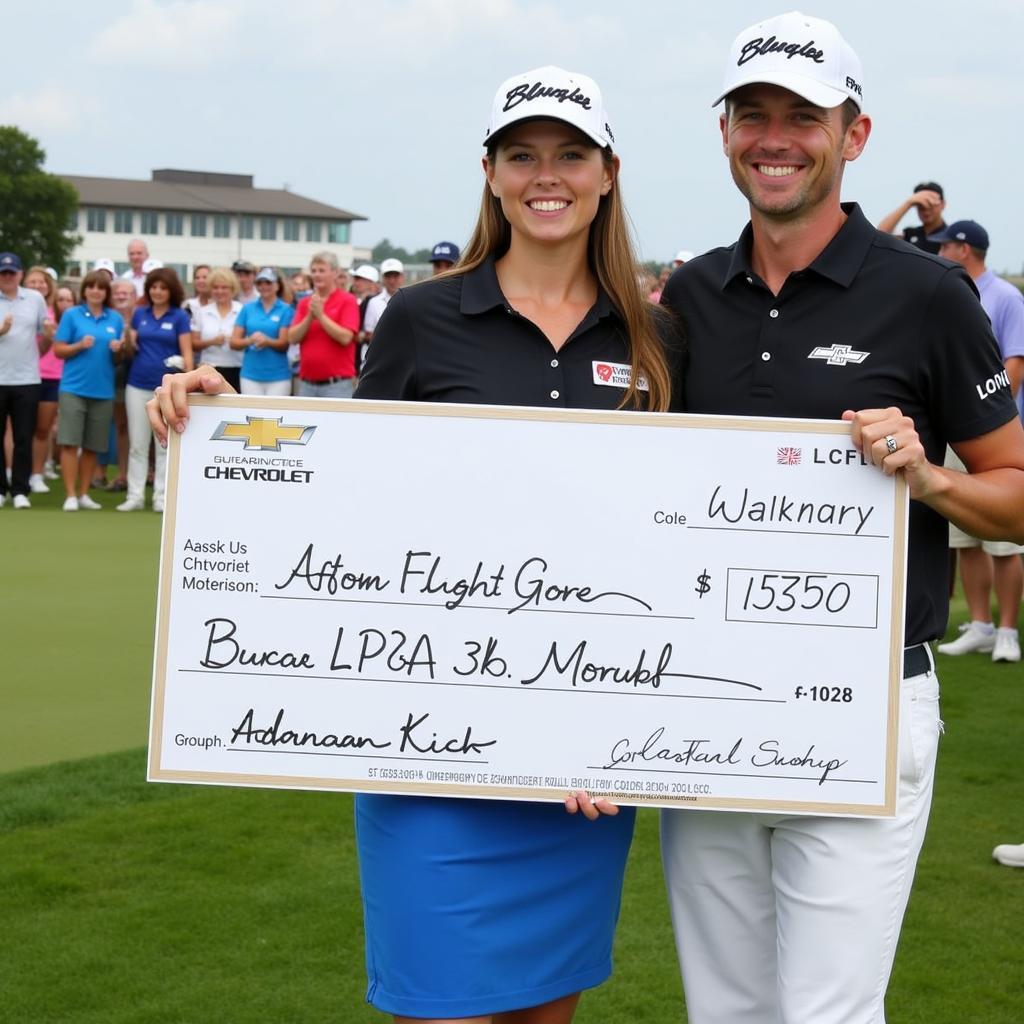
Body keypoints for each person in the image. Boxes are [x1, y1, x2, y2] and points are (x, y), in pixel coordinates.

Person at [147, 64, 679, 1024]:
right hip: (430, 750)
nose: (545, 175)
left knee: (542, 1014)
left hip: (582, 771)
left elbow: (672, 552)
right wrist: (238, 426)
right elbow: (348, 491)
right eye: (523, 155)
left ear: (608, 171)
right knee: (439, 1004)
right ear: (490, 171)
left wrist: (629, 735)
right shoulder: (424, 317)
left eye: (570, 154)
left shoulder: (657, 337)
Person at [658, 12, 1024, 1024]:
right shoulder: (688, 296)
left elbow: (1015, 489)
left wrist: (931, 477)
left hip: (862, 696)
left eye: (801, 117)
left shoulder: (928, 295)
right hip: (705, 697)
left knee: (826, 1013)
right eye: (751, 114)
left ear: (852, 136)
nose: (773, 137)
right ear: (723, 130)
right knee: (724, 1011)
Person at [927, 220, 1024, 664]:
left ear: (964, 249)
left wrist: (984, 417)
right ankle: (981, 624)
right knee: (964, 538)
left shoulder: (1005, 296)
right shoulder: (947, 289)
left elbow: (1014, 364)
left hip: (993, 433)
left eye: (946, 244)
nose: (941, 250)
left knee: (1003, 544)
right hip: (954, 431)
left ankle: (1007, 630)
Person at [119, 267, 192, 512]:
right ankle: (135, 495)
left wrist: (187, 374)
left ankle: (161, 496)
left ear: (171, 290)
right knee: (138, 443)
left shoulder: (179, 316)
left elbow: (187, 353)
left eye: (162, 287)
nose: (157, 292)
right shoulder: (140, 314)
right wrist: (126, 336)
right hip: (137, 383)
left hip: (166, 388)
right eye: (153, 287)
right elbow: (131, 350)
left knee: (164, 444)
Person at [52, 271, 125, 511]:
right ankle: (70, 495)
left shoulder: (115, 319)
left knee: (93, 446)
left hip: (103, 391)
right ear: (84, 290)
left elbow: (118, 360)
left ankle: (84, 493)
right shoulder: (72, 315)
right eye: (91, 287)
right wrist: (78, 345)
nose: (96, 291)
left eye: (101, 288)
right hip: (73, 388)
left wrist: (117, 350)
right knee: (70, 443)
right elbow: (59, 350)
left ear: (106, 293)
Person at [0, 252, 47, 509]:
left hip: (27, 378)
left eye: (12, 272)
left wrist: (51, 334)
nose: (7, 277)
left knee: (23, 436)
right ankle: (0, 489)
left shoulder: (35, 298)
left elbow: (44, 334)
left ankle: (20, 490)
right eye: (3, 273)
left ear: (20, 274)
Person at [288, 252, 359, 398]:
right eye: (313, 271)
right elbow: (292, 338)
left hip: (337, 385)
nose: (316, 275)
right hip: (306, 383)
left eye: (322, 270)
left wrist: (320, 316)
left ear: (335, 273)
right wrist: (309, 316)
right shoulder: (305, 303)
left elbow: (346, 337)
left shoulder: (348, 300)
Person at [22, 266, 58, 494]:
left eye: (42, 282)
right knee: (17, 430)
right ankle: (10, 473)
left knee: (43, 430)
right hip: (23, 376)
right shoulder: (17, 308)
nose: (37, 286)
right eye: (32, 282)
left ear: (48, 285)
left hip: (52, 375)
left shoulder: (57, 310)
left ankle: (37, 474)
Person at [231, 267, 293, 396]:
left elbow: (284, 344)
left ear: (277, 286)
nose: (264, 286)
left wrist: (267, 341)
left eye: (268, 283)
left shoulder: (286, 310)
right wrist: (250, 340)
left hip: (278, 376)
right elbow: (234, 342)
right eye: (260, 283)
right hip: (250, 374)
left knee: (276, 415)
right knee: (251, 414)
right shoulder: (247, 308)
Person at [193, 267, 243, 393]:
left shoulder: (242, 310)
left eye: (224, 287)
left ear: (232, 289)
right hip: (209, 370)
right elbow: (194, 344)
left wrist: (236, 341)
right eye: (216, 287)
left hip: (237, 368)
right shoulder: (202, 312)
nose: (220, 291)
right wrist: (212, 341)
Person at [877, 180, 947, 254]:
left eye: (930, 204)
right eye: (920, 205)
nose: (926, 209)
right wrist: (908, 203)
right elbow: (881, 235)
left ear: (943, 204)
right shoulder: (911, 234)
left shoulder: (949, 236)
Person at [361, 258, 404, 344]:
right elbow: (368, 333)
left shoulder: (410, 300)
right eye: (388, 277)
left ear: (402, 277)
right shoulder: (373, 302)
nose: (392, 281)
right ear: (383, 278)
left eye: (395, 276)